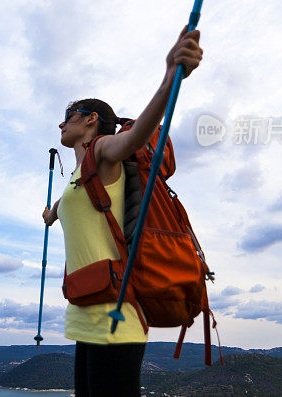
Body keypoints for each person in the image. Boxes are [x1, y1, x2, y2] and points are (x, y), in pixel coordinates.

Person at [42, 26, 203, 397]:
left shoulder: (102, 153)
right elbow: (65, 209)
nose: (61, 122)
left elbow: (135, 139)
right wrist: (50, 215)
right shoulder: (75, 182)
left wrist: (168, 81)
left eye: (69, 115)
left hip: (116, 321)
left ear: (90, 120)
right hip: (86, 317)